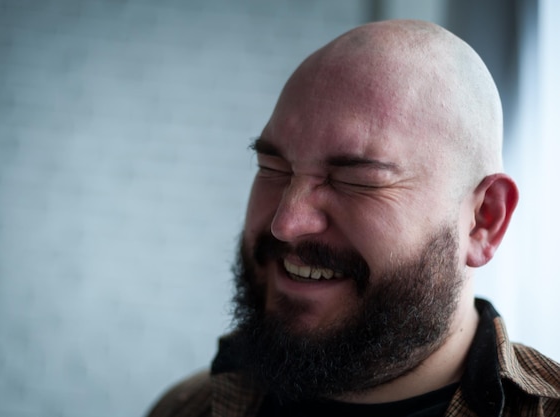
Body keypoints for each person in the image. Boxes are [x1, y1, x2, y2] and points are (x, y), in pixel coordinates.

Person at [147, 19, 560, 417]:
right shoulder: (189, 406)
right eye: (273, 168)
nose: (286, 223)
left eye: (356, 179)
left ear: (484, 219)